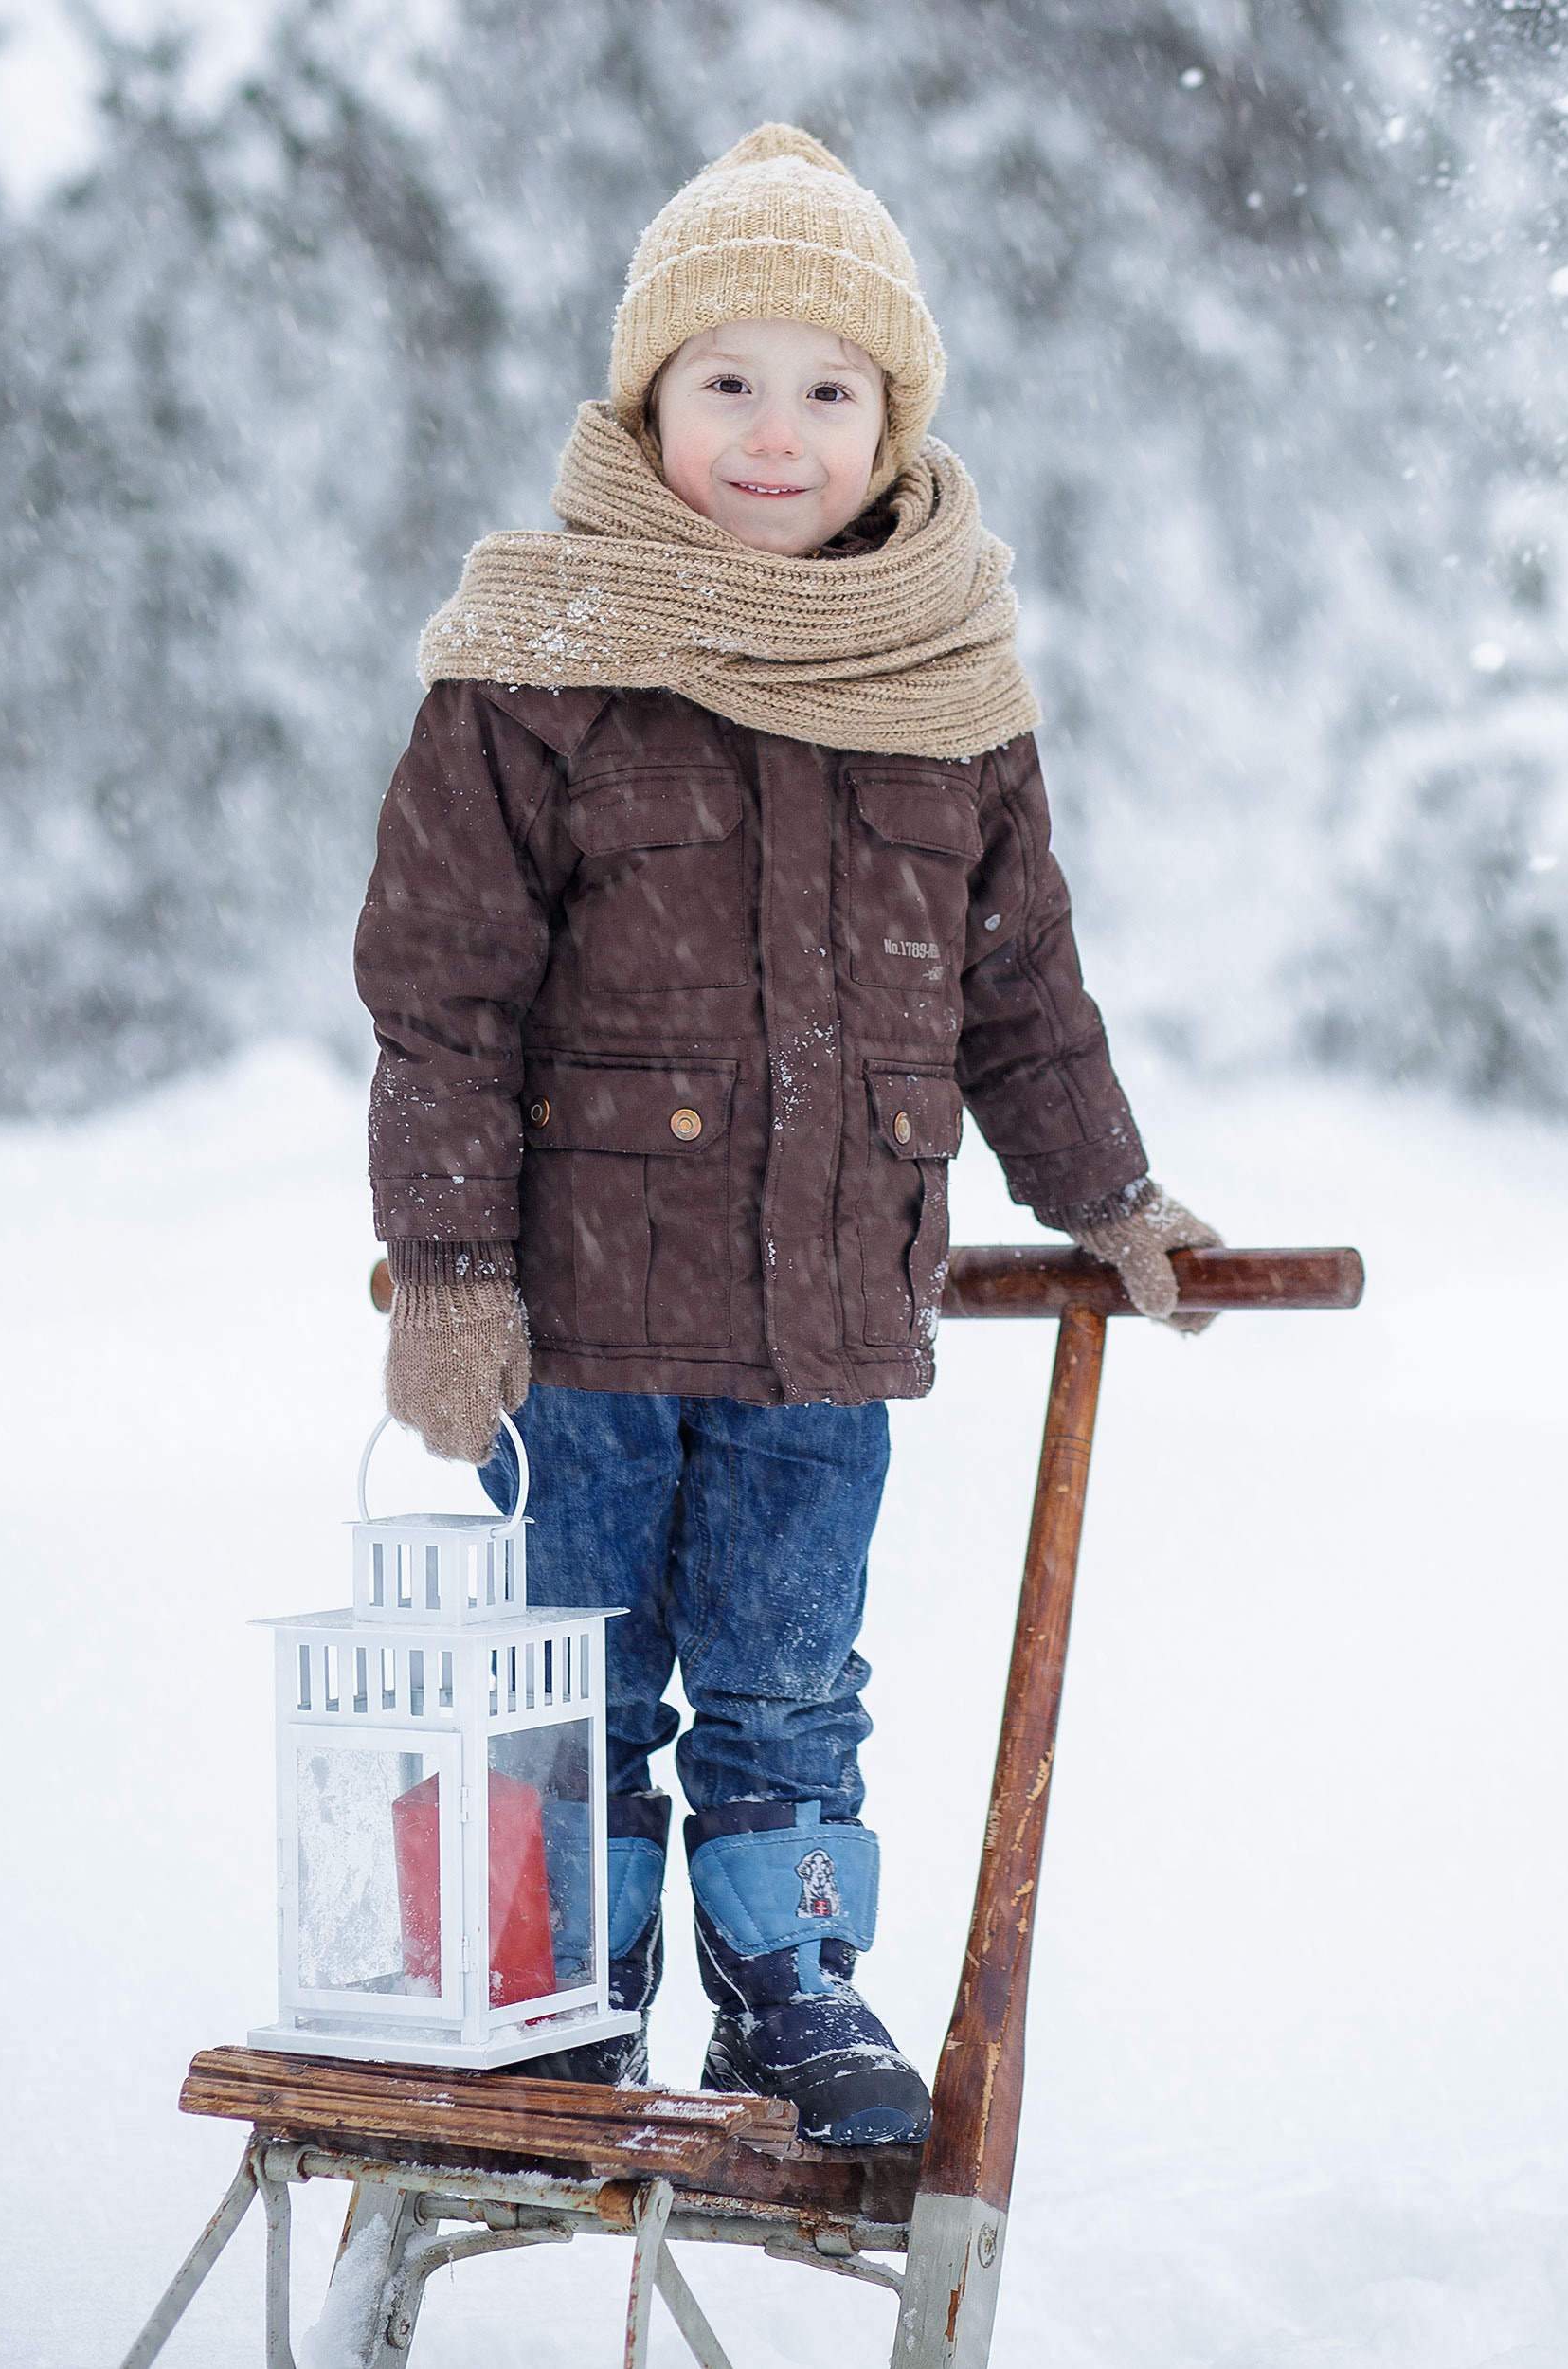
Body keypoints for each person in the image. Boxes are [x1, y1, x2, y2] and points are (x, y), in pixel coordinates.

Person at [355, 123, 1219, 2144]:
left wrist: (1104, 1188)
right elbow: (440, 991)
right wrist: (455, 1268)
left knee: (783, 1685)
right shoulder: (537, 664)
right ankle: (567, 1993)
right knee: (574, 1675)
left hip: (830, 1315)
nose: (775, 433)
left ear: (890, 419)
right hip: (575, 1326)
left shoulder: (948, 682)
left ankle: (790, 1986)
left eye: (827, 389)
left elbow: (1019, 984)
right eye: (723, 382)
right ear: (642, 401)